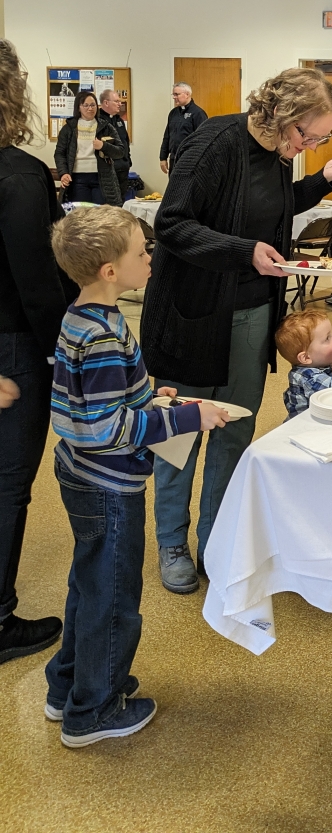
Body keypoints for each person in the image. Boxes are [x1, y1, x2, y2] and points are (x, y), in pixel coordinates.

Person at [141, 67, 332, 594]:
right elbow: (171, 223)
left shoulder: (280, 156)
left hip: (252, 312)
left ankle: (218, 541)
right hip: (193, 315)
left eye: (319, 138)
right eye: (310, 134)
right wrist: (243, 252)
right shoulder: (214, 142)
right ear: (283, 116)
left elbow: (270, 211)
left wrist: (320, 180)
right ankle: (172, 542)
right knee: (181, 433)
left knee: (235, 429)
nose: (309, 144)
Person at [45, 207, 227, 746]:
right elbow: (106, 426)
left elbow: (104, 398)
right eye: (141, 253)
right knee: (114, 596)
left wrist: (153, 397)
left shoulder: (86, 315)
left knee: (89, 582)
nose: (151, 259)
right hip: (107, 484)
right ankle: (93, 711)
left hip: (82, 473)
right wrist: (189, 417)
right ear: (109, 271)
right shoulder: (103, 333)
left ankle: (68, 686)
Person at [0, 40, 76, 667]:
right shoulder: (18, 174)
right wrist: (64, 353)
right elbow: (36, 280)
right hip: (12, 350)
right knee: (6, 485)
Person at [277, 311, 332, 420]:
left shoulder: (317, 364)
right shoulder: (307, 376)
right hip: (307, 430)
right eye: (327, 338)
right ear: (306, 358)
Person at [55, 90, 125, 205]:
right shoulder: (69, 128)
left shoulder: (106, 127)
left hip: (101, 178)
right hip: (77, 178)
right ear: (79, 107)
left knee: (100, 215)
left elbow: (120, 151)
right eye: (85, 105)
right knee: (81, 215)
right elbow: (59, 153)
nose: (90, 108)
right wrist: (63, 173)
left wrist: (104, 146)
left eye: (93, 105)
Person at [159, 83, 206, 175]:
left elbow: (203, 139)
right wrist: (163, 158)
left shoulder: (198, 113)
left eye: (177, 94)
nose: (174, 97)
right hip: (174, 158)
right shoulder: (173, 113)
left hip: (189, 160)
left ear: (187, 94)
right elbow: (167, 137)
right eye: (173, 94)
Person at [98, 89, 131, 201]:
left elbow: (125, 141)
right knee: (109, 203)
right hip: (108, 169)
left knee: (121, 202)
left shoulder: (119, 120)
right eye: (116, 101)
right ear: (106, 103)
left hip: (123, 168)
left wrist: (128, 161)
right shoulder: (98, 121)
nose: (120, 104)